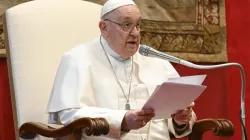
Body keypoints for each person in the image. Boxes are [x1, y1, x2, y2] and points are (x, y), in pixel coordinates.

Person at [46, 0, 196, 139]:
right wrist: (122, 120)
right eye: (126, 25)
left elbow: (181, 114)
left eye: (138, 25)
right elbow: (69, 114)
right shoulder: (77, 59)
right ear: (104, 28)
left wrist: (180, 119)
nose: (135, 33)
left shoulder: (156, 62)